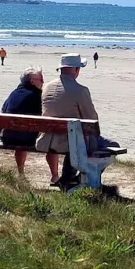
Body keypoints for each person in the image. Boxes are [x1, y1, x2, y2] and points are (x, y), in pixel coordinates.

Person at [39, 53, 99, 188]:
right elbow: (92, 120)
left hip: (47, 140)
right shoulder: (81, 91)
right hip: (70, 142)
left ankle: (69, 179)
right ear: (77, 70)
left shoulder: (46, 87)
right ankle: (74, 179)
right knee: (112, 144)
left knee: (73, 135)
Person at [0, 67, 46, 177]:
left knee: (21, 131)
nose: (43, 82)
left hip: (7, 137)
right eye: (41, 79)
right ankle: (55, 175)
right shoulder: (37, 95)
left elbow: (3, 109)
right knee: (51, 137)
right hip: (27, 139)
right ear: (32, 81)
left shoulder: (13, 94)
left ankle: (21, 172)